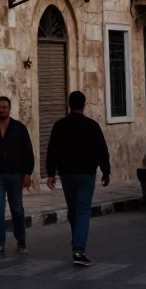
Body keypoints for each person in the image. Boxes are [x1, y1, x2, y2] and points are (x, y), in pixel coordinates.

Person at [45, 90, 110, 266]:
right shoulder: (92, 126)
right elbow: (101, 150)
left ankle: (77, 244)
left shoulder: (59, 126)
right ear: (84, 105)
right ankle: (79, 250)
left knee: (73, 210)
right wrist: (106, 171)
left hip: (66, 174)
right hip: (86, 174)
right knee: (82, 211)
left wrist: (51, 173)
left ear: (69, 105)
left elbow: (52, 151)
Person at [0, 96, 34, 257]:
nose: (2, 110)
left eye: (5, 107)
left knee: (17, 209)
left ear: (10, 109)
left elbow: (28, 152)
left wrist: (27, 173)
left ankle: (21, 239)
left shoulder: (19, 128)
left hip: (15, 174)